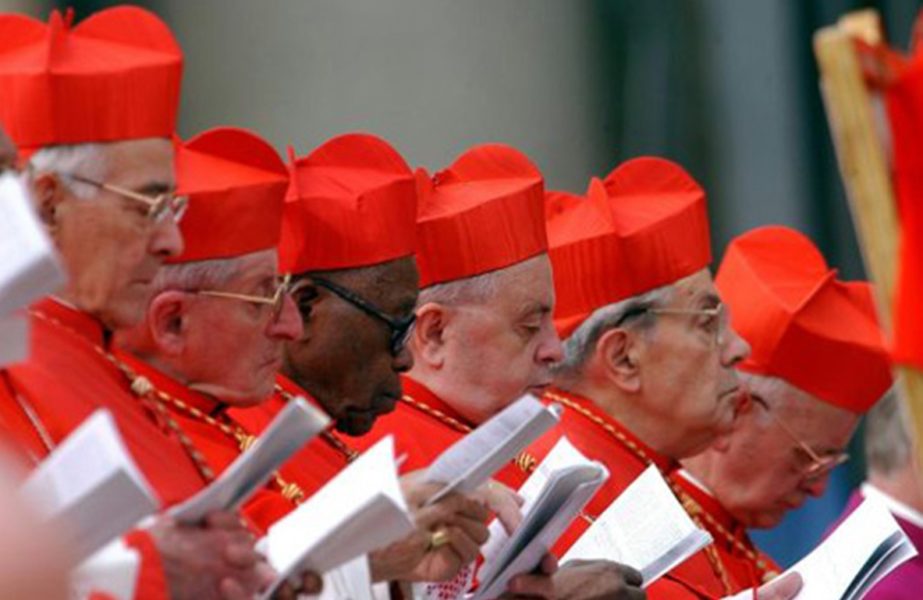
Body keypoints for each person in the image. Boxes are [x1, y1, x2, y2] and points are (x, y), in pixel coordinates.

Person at [0, 8, 271, 600]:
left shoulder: (110, 358)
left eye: (173, 210)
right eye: (146, 206)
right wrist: (151, 572)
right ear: (48, 202)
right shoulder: (13, 360)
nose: (172, 243)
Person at [356, 143, 645, 600]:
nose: (554, 349)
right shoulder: (376, 462)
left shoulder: (512, 436)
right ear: (433, 334)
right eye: (529, 326)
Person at [522, 158, 798, 599]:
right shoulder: (554, 489)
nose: (738, 348)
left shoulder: (641, 467)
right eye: (707, 323)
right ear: (624, 357)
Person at [679, 225, 893, 591]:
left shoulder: (753, 560)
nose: (819, 490)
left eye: (830, 465)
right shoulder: (629, 530)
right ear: (735, 410)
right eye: (808, 459)